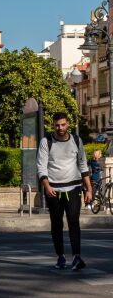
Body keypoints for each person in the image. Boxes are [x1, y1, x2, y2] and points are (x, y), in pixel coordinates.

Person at [37, 113, 91, 271]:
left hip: (74, 188)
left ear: (68, 124)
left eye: (63, 124)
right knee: (57, 224)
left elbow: (83, 165)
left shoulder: (76, 140)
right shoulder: (46, 142)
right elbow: (41, 166)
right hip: (53, 189)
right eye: (57, 125)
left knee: (74, 222)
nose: (60, 128)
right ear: (53, 125)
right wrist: (47, 186)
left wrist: (89, 189)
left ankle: (76, 257)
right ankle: (60, 256)